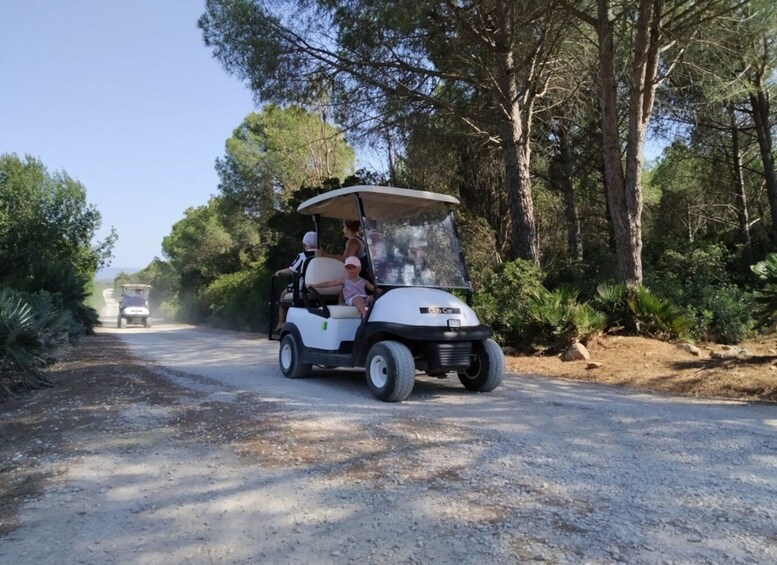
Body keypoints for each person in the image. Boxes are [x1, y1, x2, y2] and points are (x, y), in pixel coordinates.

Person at [274, 231, 318, 332]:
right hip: (321, 287)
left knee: (283, 294)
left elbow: (291, 270)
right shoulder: (322, 255)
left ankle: (281, 322)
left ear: (304, 244)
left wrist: (279, 272)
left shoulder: (303, 255)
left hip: (305, 288)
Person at [309, 256, 376, 319]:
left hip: (364, 298)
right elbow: (329, 283)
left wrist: (382, 291)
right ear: (345, 269)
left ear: (359, 268)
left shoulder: (363, 281)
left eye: (353, 267)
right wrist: (315, 285)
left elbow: (373, 288)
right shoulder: (344, 280)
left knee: (374, 297)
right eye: (349, 268)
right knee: (358, 299)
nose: (351, 270)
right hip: (351, 299)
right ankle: (364, 314)